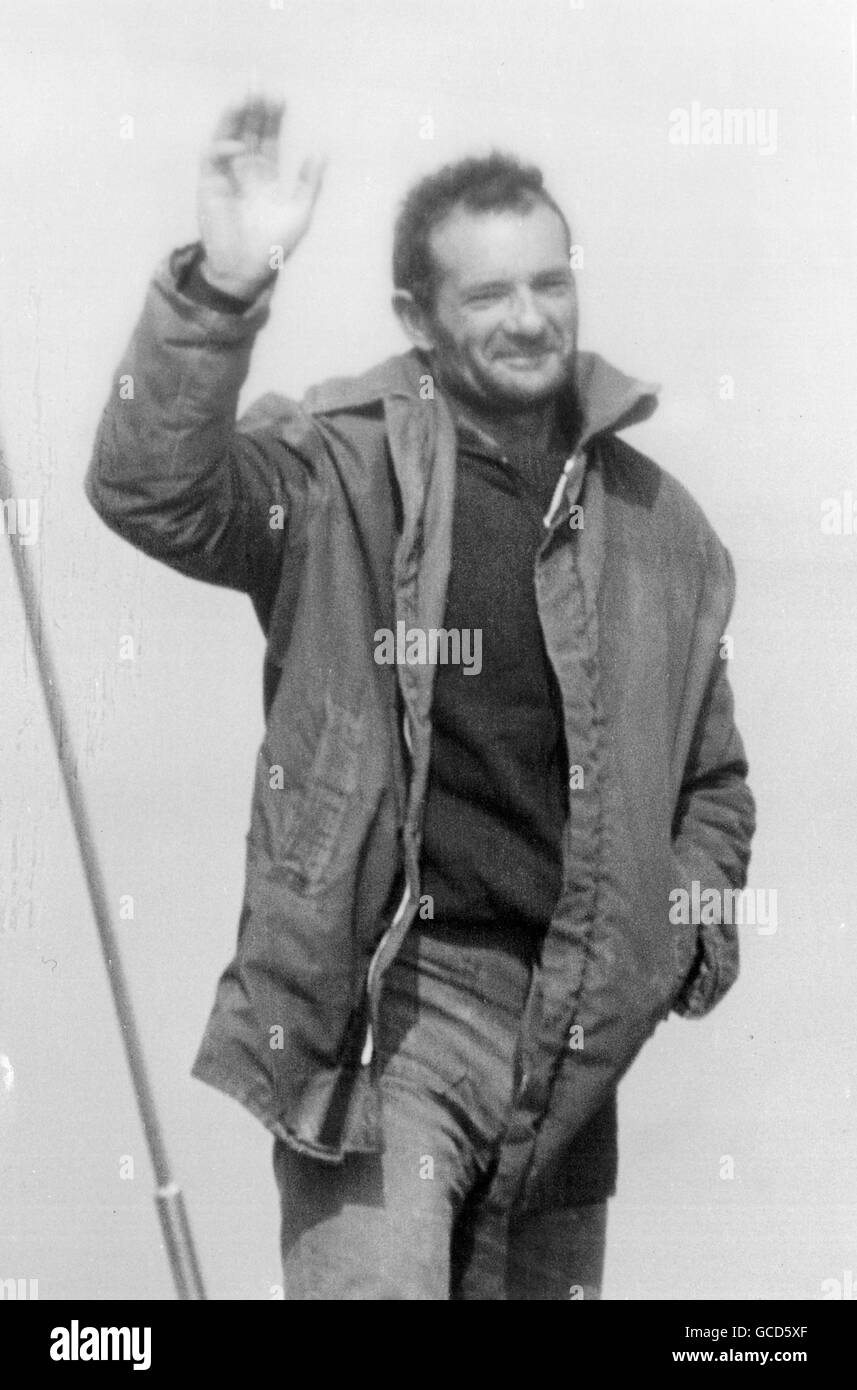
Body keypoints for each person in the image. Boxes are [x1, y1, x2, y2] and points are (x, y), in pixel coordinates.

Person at [86, 96, 756, 1300]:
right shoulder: (336, 469)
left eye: (549, 284)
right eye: (488, 294)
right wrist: (219, 291)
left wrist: (683, 934)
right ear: (418, 318)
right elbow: (152, 490)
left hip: (573, 1034)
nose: (529, 317)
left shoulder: (665, 534)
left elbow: (711, 784)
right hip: (390, 1014)